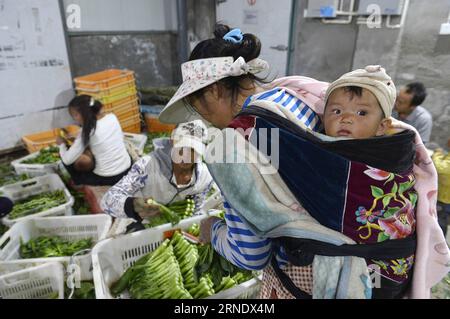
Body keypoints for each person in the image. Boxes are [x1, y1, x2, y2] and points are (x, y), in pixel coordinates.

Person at [158, 24, 449, 299]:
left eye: (198, 108)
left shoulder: (236, 141)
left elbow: (251, 254)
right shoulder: (303, 93)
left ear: (213, 91)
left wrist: (214, 232)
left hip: (319, 278)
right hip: (389, 263)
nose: (203, 119)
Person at [101, 120, 215, 227]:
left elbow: (196, 210)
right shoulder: (147, 166)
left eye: (193, 149)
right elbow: (107, 201)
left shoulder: (204, 177)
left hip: (176, 225)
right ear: (172, 140)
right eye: (182, 146)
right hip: (143, 223)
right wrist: (134, 205)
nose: (186, 155)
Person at [56, 95, 132, 186]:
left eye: (74, 115)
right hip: (127, 169)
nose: (74, 119)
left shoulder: (86, 131)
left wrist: (62, 145)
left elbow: (67, 160)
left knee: (69, 160)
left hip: (109, 178)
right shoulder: (112, 117)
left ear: (79, 114)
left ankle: (77, 182)